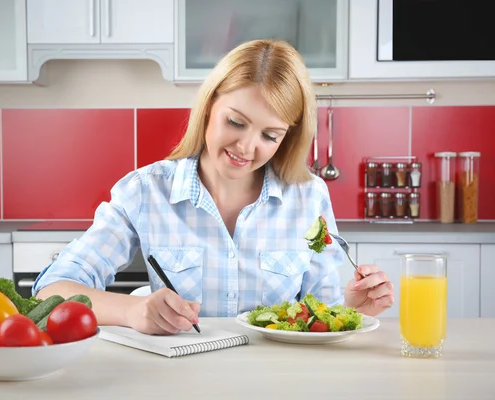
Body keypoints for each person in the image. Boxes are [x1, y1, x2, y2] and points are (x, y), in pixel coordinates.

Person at [32, 39, 395, 335]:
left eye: (269, 135)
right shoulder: (145, 191)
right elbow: (52, 290)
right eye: (236, 122)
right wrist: (133, 310)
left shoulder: (308, 196)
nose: (246, 148)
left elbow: (320, 312)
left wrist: (350, 310)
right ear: (208, 108)